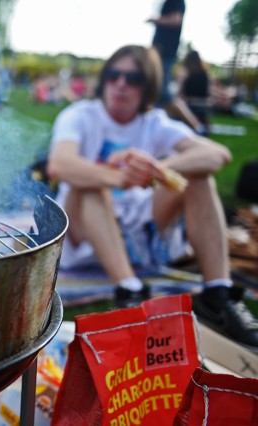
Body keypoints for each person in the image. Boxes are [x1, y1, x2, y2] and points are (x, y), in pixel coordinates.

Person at [46, 45, 258, 350]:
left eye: (132, 78)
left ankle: (218, 295)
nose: (121, 84)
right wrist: (119, 176)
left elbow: (218, 154)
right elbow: (60, 163)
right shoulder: (79, 115)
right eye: (115, 75)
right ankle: (128, 289)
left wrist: (158, 168)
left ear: (146, 87)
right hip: (85, 234)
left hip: (139, 234)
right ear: (105, 79)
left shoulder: (154, 122)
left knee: (199, 177)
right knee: (89, 181)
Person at [146, 0, 204, 134]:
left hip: (164, 53)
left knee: (164, 94)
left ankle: (198, 128)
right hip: (161, 52)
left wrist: (156, 20)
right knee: (157, 93)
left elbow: (175, 19)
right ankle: (159, 126)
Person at [179, 50, 211, 134]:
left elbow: (179, 92)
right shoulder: (205, 74)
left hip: (190, 106)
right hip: (204, 107)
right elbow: (208, 92)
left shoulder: (185, 72)